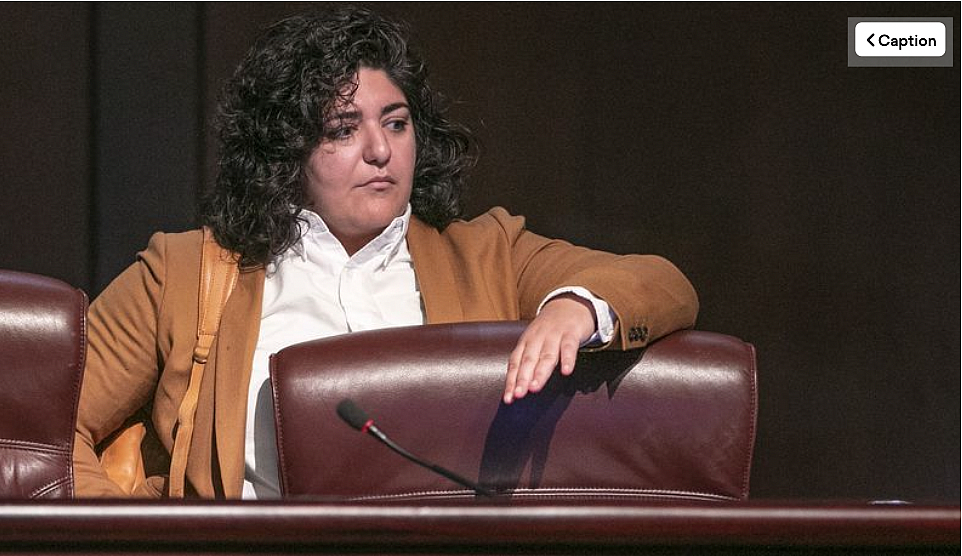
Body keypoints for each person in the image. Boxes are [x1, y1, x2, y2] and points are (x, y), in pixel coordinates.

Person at [73, 6, 698, 498]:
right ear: (284, 148)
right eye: (343, 129)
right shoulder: (185, 274)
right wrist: (136, 539)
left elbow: (663, 284)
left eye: (396, 123)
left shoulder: (485, 252)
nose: (379, 151)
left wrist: (576, 309)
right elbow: (41, 425)